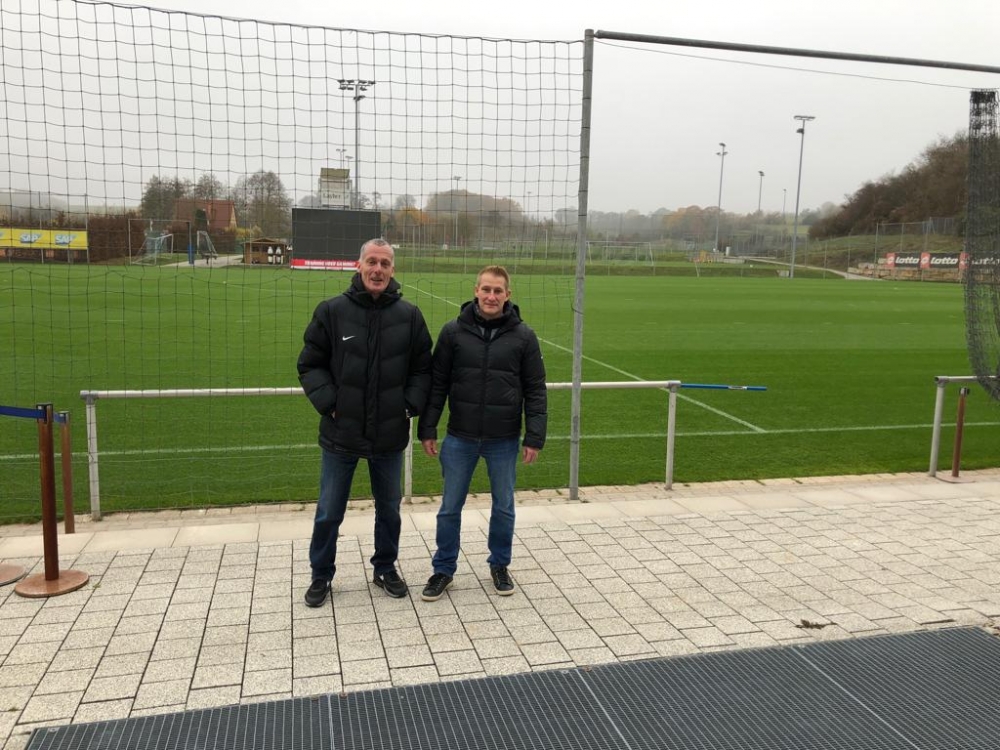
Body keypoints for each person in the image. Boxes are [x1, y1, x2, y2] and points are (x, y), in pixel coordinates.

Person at [298, 238, 432, 606]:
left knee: (389, 510)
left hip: (389, 434)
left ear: (392, 270)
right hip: (340, 434)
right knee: (329, 511)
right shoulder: (332, 311)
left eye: (384, 264)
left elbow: (423, 369)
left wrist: (407, 406)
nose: (377, 269)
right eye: (372, 262)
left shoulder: (410, 316)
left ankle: (385, 567)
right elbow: (310, 364)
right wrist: (331, 404)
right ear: (359, 265)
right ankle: (321, 574)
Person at [417, 265, 547, 601]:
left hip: (503, 440)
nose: (491, 296)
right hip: (459, 438)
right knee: (450, 507)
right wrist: (428, 427)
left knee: (503, 507)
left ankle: (500, 565)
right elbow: (437, 385)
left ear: (507, 295)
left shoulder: (524, 336)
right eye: (486, 289)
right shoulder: (452, 332)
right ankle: (443, 569)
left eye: (497, 291)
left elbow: (535, 390)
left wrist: (534, 436)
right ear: (476, 291)